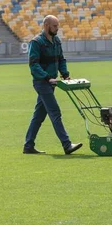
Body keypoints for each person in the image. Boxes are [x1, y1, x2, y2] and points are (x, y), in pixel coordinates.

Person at [23, 15, 82, 155]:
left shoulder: (56, 41)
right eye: (55, 26)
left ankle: (28, 145)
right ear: (46, 26)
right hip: (42, 82)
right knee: (55, 112)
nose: (57, 28)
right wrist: (47, 77)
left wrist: (65, 73)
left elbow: (61, 59)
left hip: (52, 82)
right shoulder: (36, 42)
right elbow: (33, 65)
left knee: (39, 115)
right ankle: (67, 144)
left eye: (58, 26)